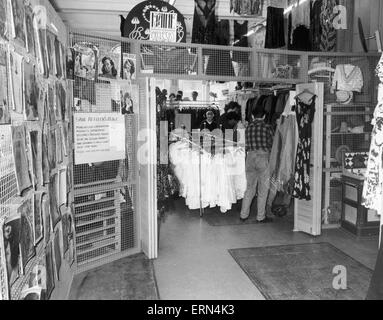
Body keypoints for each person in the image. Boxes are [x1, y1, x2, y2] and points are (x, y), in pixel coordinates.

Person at [240, 103, 274, 223]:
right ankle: (260, 217)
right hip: (263, 157)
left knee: (249, 188)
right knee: (263, 189)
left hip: (249, 158)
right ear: (264, 116)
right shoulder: (267, 127)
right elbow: (272, 144)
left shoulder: (248, 128)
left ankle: (243, 215)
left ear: (253, 117)